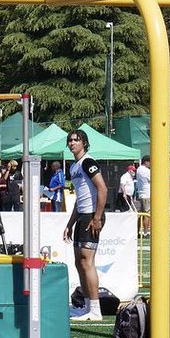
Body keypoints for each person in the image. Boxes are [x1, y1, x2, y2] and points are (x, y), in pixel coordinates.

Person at [63, 129, 108, 322]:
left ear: (84, 143)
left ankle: (95, 309)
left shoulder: (88, 162)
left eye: (76, 140)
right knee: (79, 262)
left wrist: (96, 217)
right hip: (81, 215)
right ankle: (87, 306)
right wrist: (70, 223)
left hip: (92, 215)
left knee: (87, 262)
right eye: (70, 140)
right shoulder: (73, 167)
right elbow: (78, 198)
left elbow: (102, 188)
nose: (72, 143)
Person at [134, 155, 152, 234]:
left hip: (141, 194)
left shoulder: (138, 169)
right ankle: (145, 232)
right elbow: (154, 179)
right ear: (146, 162)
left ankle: (137, 231)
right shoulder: (146, 171)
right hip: (147, 194)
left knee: (141, 214)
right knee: (147, 214)